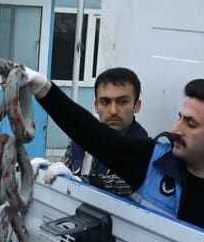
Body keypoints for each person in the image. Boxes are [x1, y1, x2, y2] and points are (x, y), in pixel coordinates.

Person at [19, 67, 204, 242]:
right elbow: (93, 134)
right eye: (180, 117)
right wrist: (43, 89)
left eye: (190, 124)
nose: (176, 129)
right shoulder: (152, 163)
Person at [62, 67, 148, 196]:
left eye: (123, 102)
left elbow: (124, 184)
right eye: (105, 102)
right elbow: (65, 168)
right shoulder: (83, 135)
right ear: (96, 105)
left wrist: (80, 181)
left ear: (137, 106)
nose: (113, 111)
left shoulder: (142, 146)